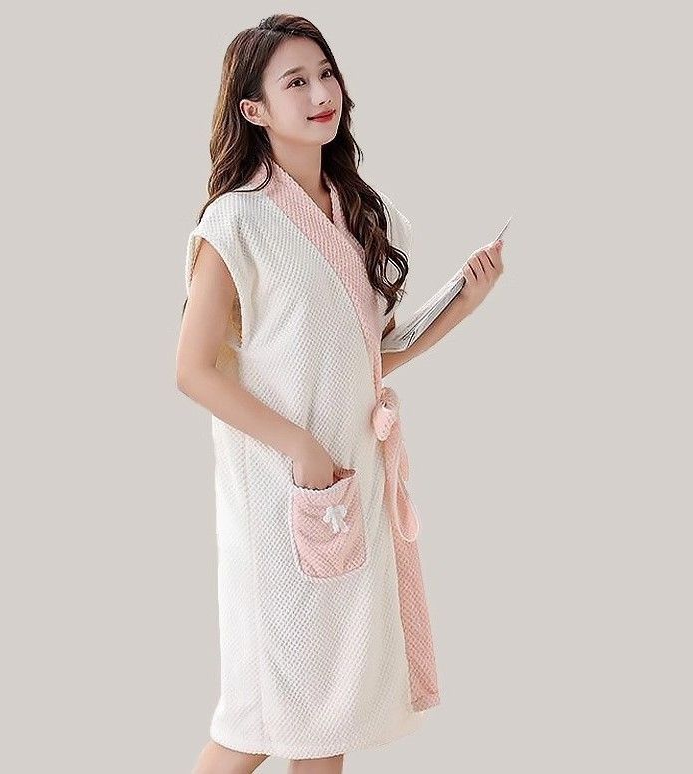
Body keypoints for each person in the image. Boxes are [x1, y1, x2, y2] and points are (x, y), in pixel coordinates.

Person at [176, 14, 504, 774]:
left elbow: (368, 355)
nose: (321, 92)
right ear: (254, 110)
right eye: (295, 81)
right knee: (260, 719)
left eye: (326, 73)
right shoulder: (237, 220)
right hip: (281, 498)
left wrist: (463, 301)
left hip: (348, 490)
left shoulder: (356, 211)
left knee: (331, 714)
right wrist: (301, 447)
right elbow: (192, 369)